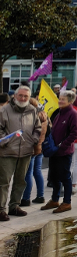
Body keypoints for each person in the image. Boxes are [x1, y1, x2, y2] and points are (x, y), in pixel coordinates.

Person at [0, 86, 42, 220]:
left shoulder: (32, 110)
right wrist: (7, 141)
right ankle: (1, 209)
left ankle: (14, 206)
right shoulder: (4, 110)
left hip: (25, 151)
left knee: (20, 181)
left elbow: (38, 127)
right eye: (21, 95)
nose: (23, 98)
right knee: (3, 182)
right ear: (15, 96)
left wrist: (34, 140)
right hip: (7, 152)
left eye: (26, 96)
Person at [41, 91, 77, 214]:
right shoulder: (59, 113)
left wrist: (62, 146)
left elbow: (75, 133)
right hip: (55, 151)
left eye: (63, 99)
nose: (60, 101)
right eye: (60, 98)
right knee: (54, 177)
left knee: (65, 177)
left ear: (70, 101)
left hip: (64, 152)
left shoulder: (73, 114)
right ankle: (54, 199)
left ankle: (67, 202)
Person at [21, 98, 48, 208]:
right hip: (40, 147)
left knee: (28, 174)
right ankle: (40, 196)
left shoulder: (32, 118)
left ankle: (26, 198)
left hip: (31, 149)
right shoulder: (44, 116)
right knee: (37, 172)